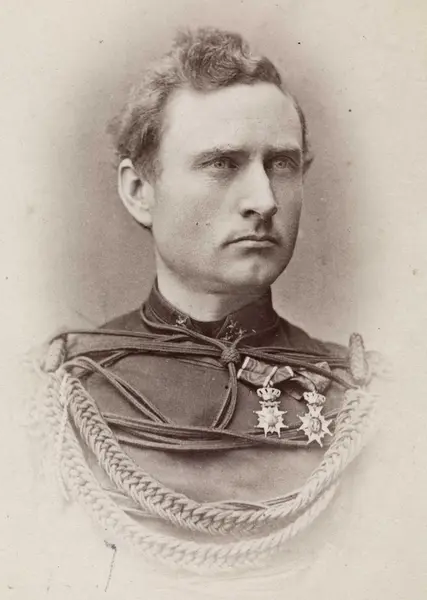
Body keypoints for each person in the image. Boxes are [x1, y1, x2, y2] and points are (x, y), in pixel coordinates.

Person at [37, 27, 378, 577]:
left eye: (282, 164)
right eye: (222, 163)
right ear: (139, 191)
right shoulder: (55, 398)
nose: (264, 201)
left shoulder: (367, 403)